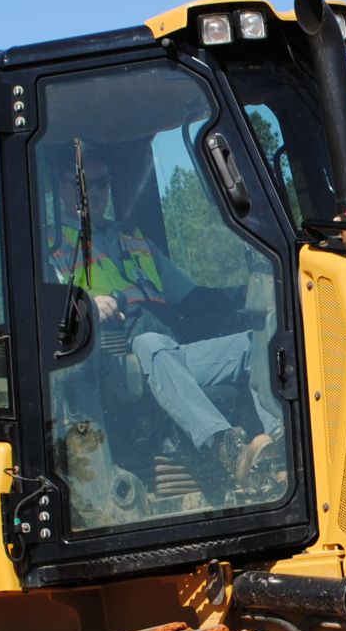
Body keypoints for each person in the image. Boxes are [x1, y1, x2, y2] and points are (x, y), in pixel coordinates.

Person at [46, 142, 275, 500]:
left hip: (169, 358)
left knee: (252, 344)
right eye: (81, 186)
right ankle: (226, 447)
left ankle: (274, 450)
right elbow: (43, 316)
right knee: (149, 344)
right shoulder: (51, 248)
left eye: (102, 184)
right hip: (109, 370)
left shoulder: (132, 241)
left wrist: (251, 289)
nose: (94, 194)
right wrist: (87, 305)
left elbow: (194, 298)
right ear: (59, 188)